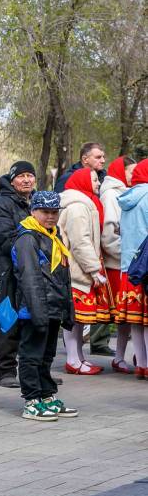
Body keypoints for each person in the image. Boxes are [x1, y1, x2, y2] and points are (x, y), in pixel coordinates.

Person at [10, 191, 79, 421]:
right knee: (31, 354)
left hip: (52, 306)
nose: (50, 216)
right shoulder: (28, 238)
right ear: (33, 212)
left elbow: (61, 276)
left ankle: (46, 394)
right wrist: (38, 313)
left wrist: (65, 308)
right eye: (45, 212)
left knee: (46, 355)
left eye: (54, 212)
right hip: (33, 309)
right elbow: (29, 279)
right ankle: (31, 400)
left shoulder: (52, 235)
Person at [55, 141, 111, 355]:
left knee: (80, 318)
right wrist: (94, 268)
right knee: (75, 317)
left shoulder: (87, 202)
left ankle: (77, 357)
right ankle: (73, 358)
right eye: (95, 180)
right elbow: (81, 241)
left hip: (81, 268)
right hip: (77, 269)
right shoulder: (78, 207)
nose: (98, 184)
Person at [0, 161, 36, 388]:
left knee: (34, 320)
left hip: (35, 273)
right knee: (8, 320)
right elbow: (4, 240)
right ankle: (6, 370)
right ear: (12, 179)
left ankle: (36, 369)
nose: (27, 180)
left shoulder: (36, 202)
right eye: (22, 176)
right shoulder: (2, 206)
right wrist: (32, 243)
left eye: (30, 175)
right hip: (10, 273)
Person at [100, 156, 136, 372]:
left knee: (127, 318)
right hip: (117, 262)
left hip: (124, 260)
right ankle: (121, 356)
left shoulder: (124, 192)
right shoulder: (112, 194)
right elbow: (110, 232)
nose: (133, 175)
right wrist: (126, 253)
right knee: (122, 315)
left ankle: (122, 356)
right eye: (130, 171)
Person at [117, 159, 148, 376]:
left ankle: (142, 364)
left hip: (129, 267)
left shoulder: (128, 197)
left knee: (136, 320)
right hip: (147, 267)